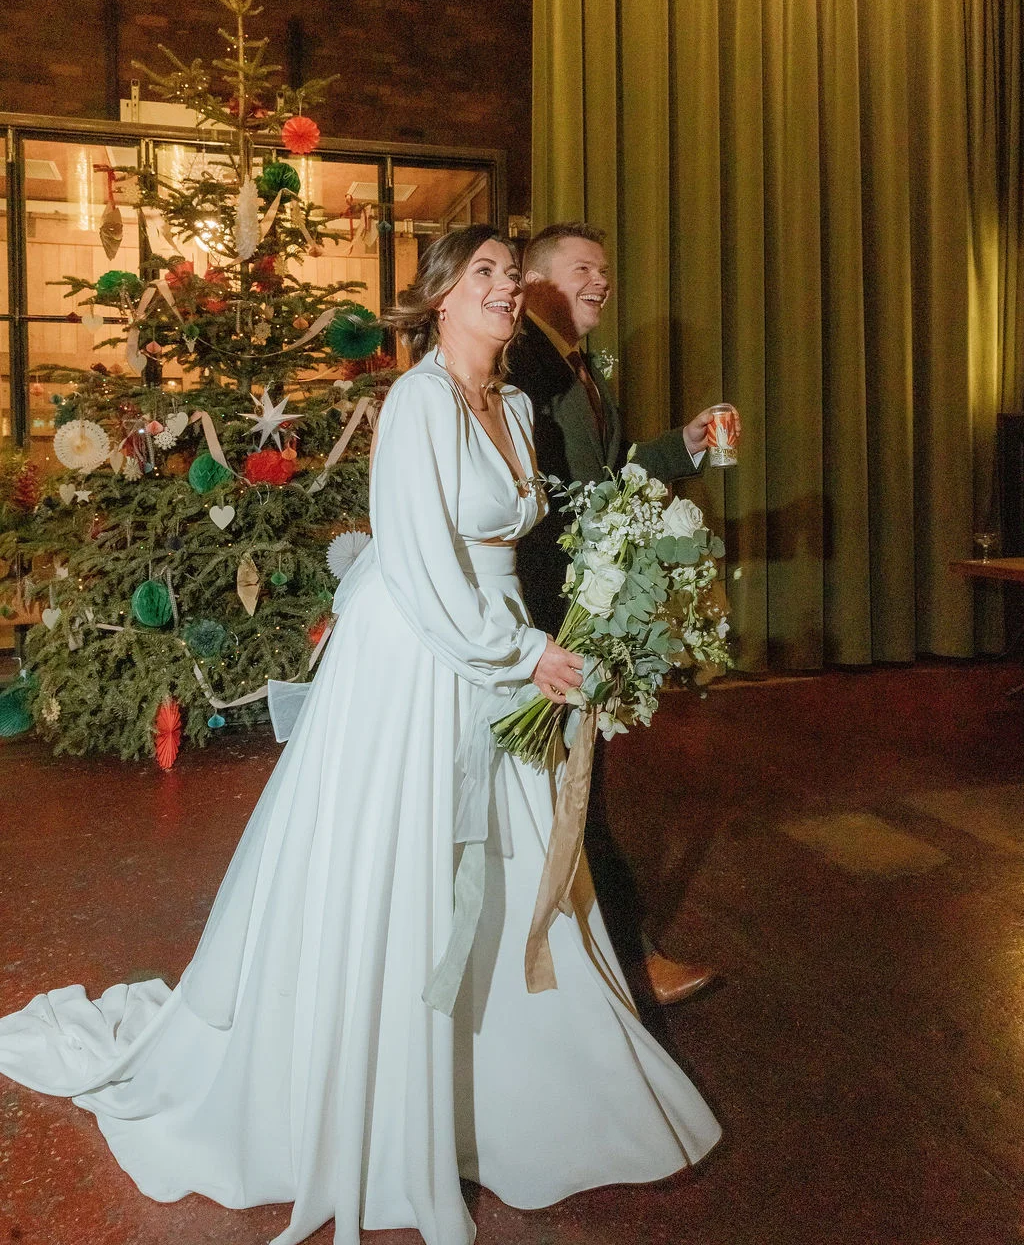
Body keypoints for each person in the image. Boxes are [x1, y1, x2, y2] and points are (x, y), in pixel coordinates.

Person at [0, 226, 720, 1245]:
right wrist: (522, 654)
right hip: (417, 659)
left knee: (508, 863)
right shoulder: (418, 403)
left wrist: (593, 604)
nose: (502, 287)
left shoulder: (516, 406)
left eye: (509, 275)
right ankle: (380, 1088)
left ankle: (510, 1088)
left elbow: (535, 529)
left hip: (497, 647)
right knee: (404, 864)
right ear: (440, 298)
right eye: (481, 274)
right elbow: (421, 564)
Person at [509, 223, 737, 1008]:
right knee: (576, 791)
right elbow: (546, 498)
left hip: (582, 602)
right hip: (550, 612)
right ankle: (626, 962)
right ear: (535, 283)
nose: (601, 282)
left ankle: (603, 958)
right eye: (583, 269)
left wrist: (683, 444)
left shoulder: (578, 365)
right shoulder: (524, 365)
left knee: (576, 787)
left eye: (604, 270)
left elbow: (606, 471)